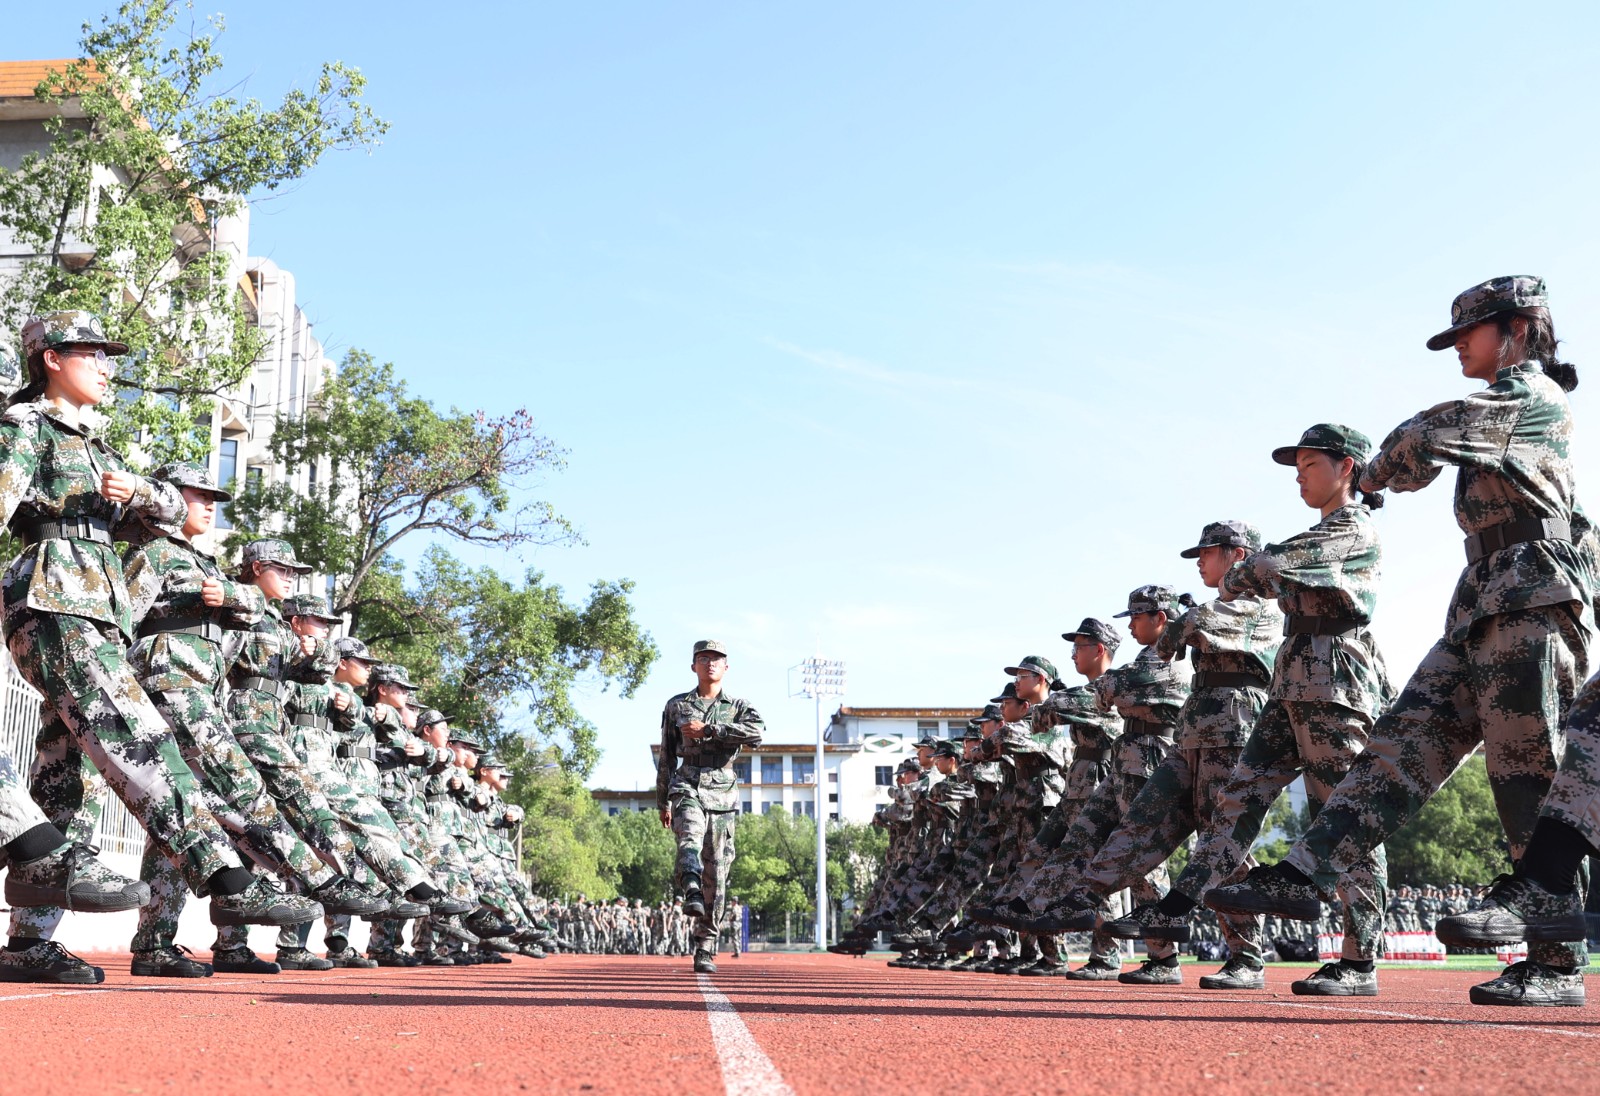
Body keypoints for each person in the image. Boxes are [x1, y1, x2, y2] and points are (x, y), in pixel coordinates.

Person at [1241, 277, 1592, 1007]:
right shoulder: (1503, 406)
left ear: (1519, 328)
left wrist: (1374, 474)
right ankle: (1305, 868)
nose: (1459, 345)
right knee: (1401, 741)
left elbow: (1429, 430)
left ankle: (1556, 963)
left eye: (1470, 332)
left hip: (1535, 591)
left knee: (1526, 772)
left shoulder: (1532, 396)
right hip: (1484, 594)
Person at [0, 312, 317, 985]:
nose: (107, 367)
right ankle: (224, 874)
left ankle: (27, 942)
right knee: (140, 736)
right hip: (55, 600)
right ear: (51, 358)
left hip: (93, 610)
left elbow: (170, 509)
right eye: (94, 355)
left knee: (61, 777)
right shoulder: (26, 427)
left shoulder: (98, 445)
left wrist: (140, 491)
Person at [1172, 424, 1394, 997]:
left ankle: (1359, 956)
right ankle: (1200, 910)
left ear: (1346, 467)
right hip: (1292, 677)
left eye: (1309, 462)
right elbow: (1260, 573)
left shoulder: (1352, 529)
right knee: (1237, 796)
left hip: (1334, 679)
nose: (1299, 474)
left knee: (1342, 813)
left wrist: (1250, 573)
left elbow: (1263, 570)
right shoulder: (1317, 534)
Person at [1023, 525, 1283, 990]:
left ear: (1237, 554)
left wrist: (1180, 624)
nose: (1200, 562)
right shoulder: (1184, 633)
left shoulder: (1251, 611)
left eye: (1207, 553)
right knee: (1139, 832)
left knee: (1224, 845)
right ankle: (1077, 903)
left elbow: (1192, 631)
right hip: (1191, 741)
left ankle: (1246, 956)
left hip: (1228, 736)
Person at [657, 639, 765, 974]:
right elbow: (666, 756)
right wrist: (662, 801)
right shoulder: (677, 705)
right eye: (703, 658)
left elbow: (757, 732)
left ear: (726, 667)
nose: (710, 664)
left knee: (717, 872)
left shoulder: (739, 706)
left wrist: (711, 730)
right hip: (687, 781)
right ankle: (689, 885)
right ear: (694, 666)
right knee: (689, 833)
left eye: (717, 659)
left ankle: (705, 945)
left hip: (723, 791)